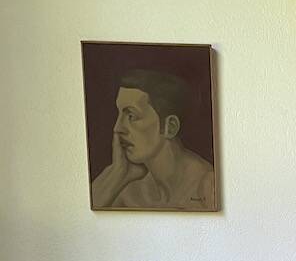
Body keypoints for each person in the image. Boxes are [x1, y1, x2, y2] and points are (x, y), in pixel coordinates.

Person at [91, 69, 216, 211]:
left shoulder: (207, 186)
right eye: (119, 115)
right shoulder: (129, 189)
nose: (117, 128)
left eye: (131, 116)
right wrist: (116, 172)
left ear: (170, 127)